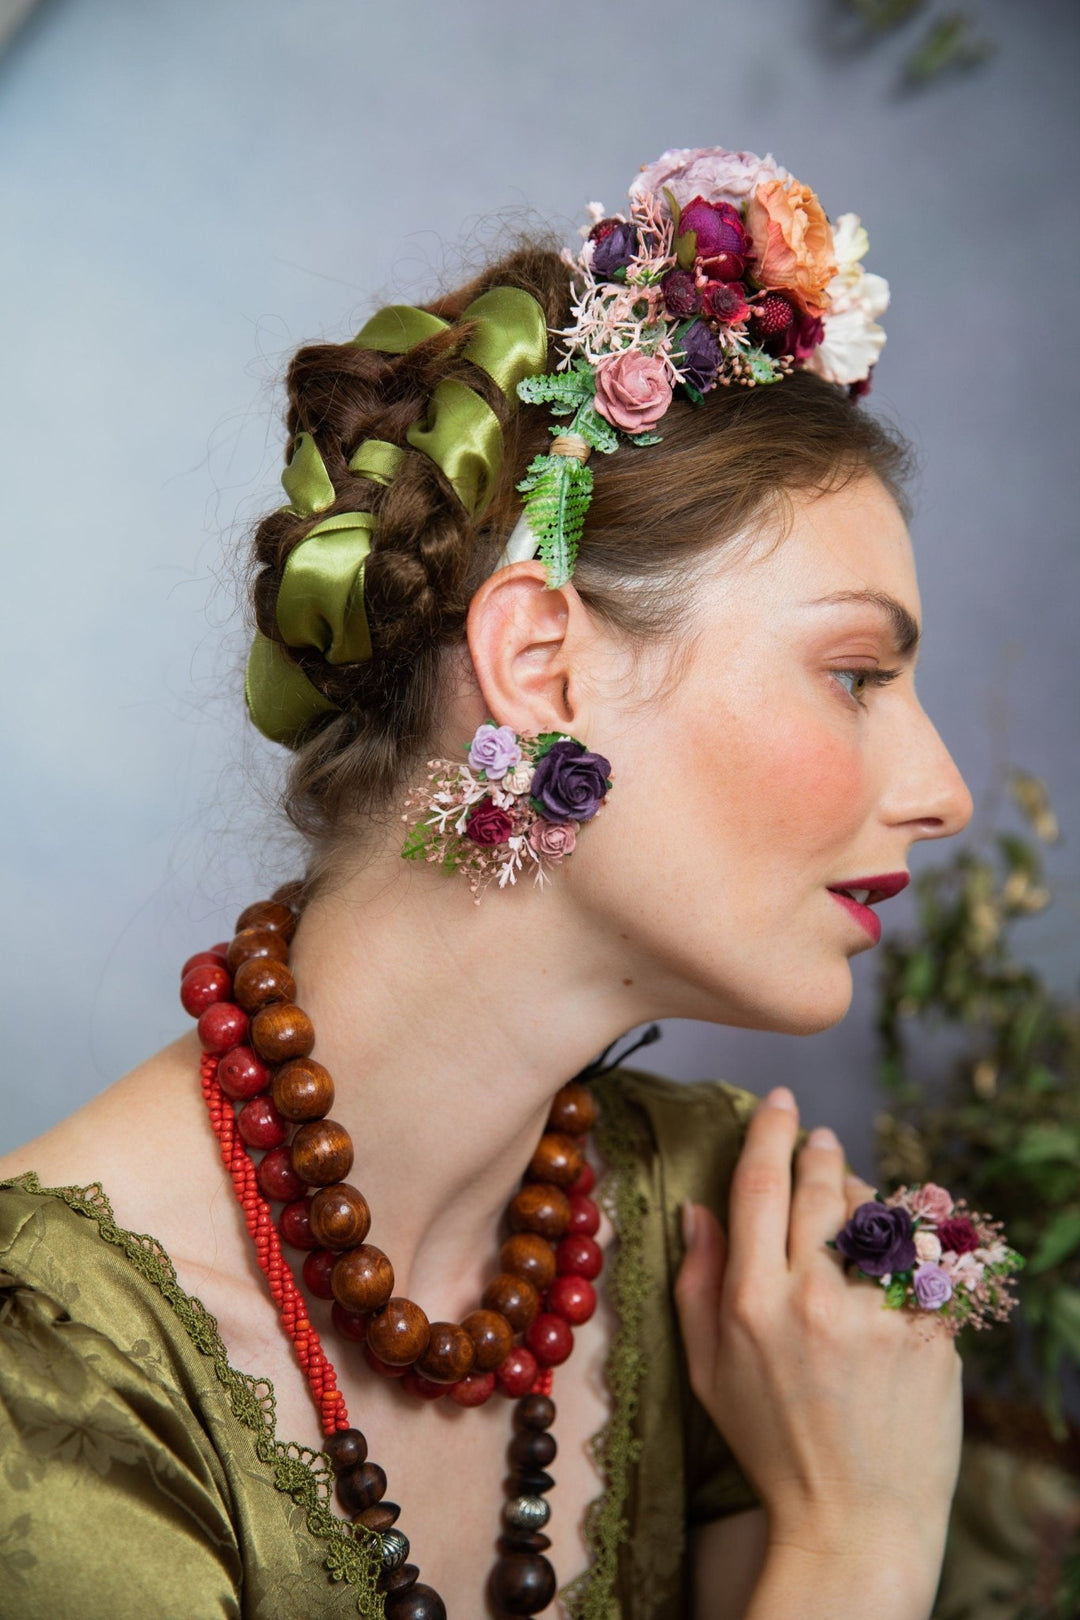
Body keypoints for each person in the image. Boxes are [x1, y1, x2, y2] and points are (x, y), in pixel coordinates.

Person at [0, 146, 976, 1620]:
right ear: (540, 663)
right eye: (854, 676)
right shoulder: (56, 1370)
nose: (944, 791)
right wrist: (859, 1547)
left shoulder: (736, 1260)